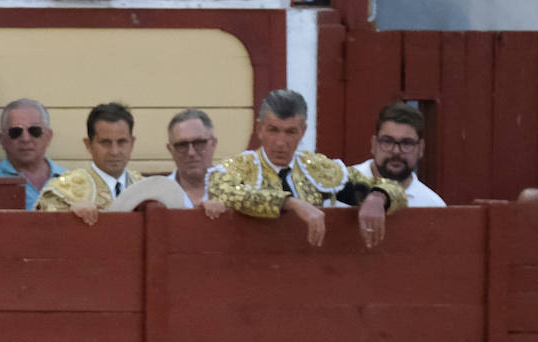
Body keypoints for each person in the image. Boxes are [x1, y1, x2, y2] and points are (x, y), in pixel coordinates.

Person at [207, 89, 406, 248]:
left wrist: (377, 197)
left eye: (290, 132)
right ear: (260, 129)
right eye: (273, 130)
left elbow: (395, 189)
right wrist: (290, 203)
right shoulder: (237, 168)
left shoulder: (318, 168)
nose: (280, 142)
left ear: (302, 132)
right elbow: (224, 192)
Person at [34, 102, 143, 222]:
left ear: (132, 143)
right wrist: (68, 215)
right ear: (88, 145)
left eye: (122, 142)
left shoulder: (146, 188)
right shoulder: (62, 193)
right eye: (105, 143)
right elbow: (41, 227)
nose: (114, 151)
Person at [351, 103, 444, 208]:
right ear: (374, 144)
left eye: (406, 143)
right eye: (387, 141)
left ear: (421, 148)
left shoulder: (433, 205)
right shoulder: (341, 186)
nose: (396, 151)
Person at [0, 99, 65, 210]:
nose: (25, 139)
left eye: (34, 131)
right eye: (15, 132)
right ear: (2, 139)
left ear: (48, 136)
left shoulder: (72, 181)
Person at [165, 108, 223, 214]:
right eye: (182, 145)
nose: (191, 152)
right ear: (170, 149)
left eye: (199, 143)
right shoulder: (158, 194)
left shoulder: (240, 190)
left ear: (213, 143)